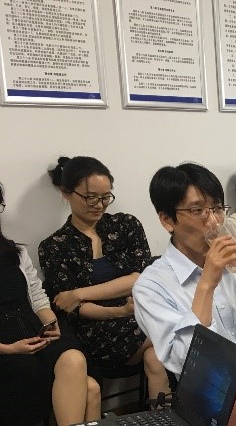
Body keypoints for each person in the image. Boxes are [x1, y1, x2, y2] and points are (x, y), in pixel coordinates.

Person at [133, 163, 236, 379]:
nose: (213, 222)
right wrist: (206, 284)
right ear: (167, 220)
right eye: (197, 211)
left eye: (218, 209)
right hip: (211, 394)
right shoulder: (151, 286)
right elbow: (185, 361)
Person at [39, 155, 169, 402]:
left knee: (157, 357)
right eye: (91, 198)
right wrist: (120, 311)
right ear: (66, 193)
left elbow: (140, 277)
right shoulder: (55, 246)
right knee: (176, 335)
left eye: (105, 197)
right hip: (97, 329)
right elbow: (73, 309)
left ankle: (161, 420)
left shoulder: (126, 225)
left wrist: (80, 293)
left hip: (140, 314)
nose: (99, 205)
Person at [0, 182, 100, 426]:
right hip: (6, 348)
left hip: (33, 333)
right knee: (89, 388)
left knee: (74, 358)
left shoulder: (15, 252)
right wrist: (9, 349)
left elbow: (36, 296)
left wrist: (49, 320)